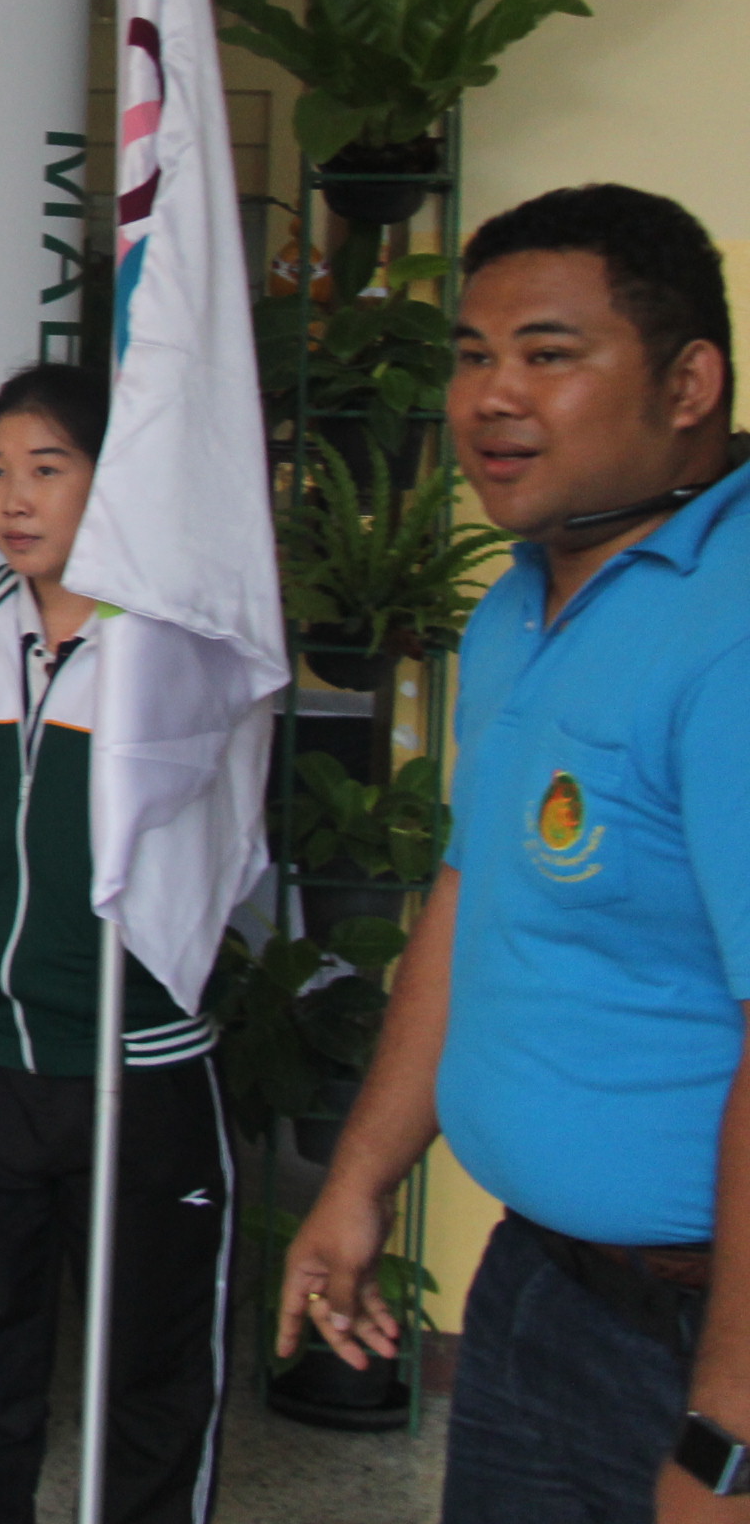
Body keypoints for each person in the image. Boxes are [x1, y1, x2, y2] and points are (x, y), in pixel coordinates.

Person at [280, 184, 750, 1524]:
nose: (491, 398)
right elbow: (470, 900)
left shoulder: (731, 633)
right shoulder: (520, 603)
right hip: (543, 1292)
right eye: (474, 357)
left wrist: (728, 1436)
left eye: (549, 355)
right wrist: (358, 1183)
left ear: (688, 384)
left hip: (700, 1340)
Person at [0, 360, 230, 1524]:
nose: (14, 497)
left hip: (132, 1063)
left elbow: (220, 836)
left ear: (110, 478)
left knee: (148, 1365)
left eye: (47, 468)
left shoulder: (176, 646)